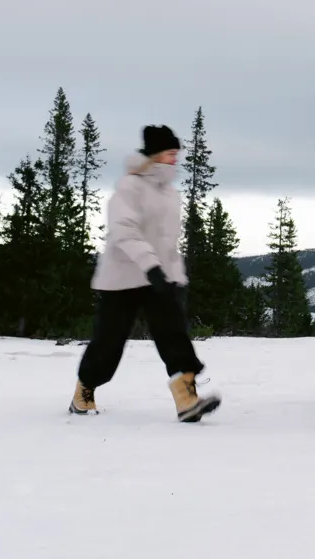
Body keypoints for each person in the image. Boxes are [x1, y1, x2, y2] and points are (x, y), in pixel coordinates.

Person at [69, 125, 222, 422]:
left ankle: (186, 399)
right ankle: (84, 391)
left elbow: (167, 242)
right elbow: (124, 231)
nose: (175, 158)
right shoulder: (129, 187)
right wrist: (149, 264)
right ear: (153, 156)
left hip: (159, 278)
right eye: (169, 153)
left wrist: (174, 276)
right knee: (108, 342)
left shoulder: (169, 194)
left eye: (177, 153)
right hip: (122, 277)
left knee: (174, 334)